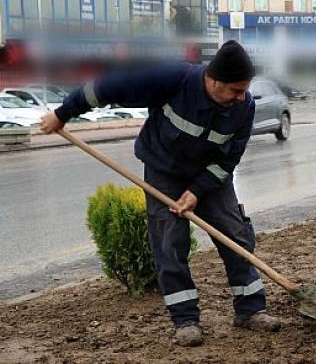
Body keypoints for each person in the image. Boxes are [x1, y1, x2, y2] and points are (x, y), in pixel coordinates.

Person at [40, 40, 280, 347]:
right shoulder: (172, 80)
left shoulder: (244, 108)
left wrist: (196, 191)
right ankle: (185, 320)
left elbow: (228, 159)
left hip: (209, 178)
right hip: (164, 172)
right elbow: (108, 86)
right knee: (169, 241)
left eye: (245, 89)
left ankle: (250, 310)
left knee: (235, 235)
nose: (242, 96)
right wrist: (63, 113)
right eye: (235, 89)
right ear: (214, 80)